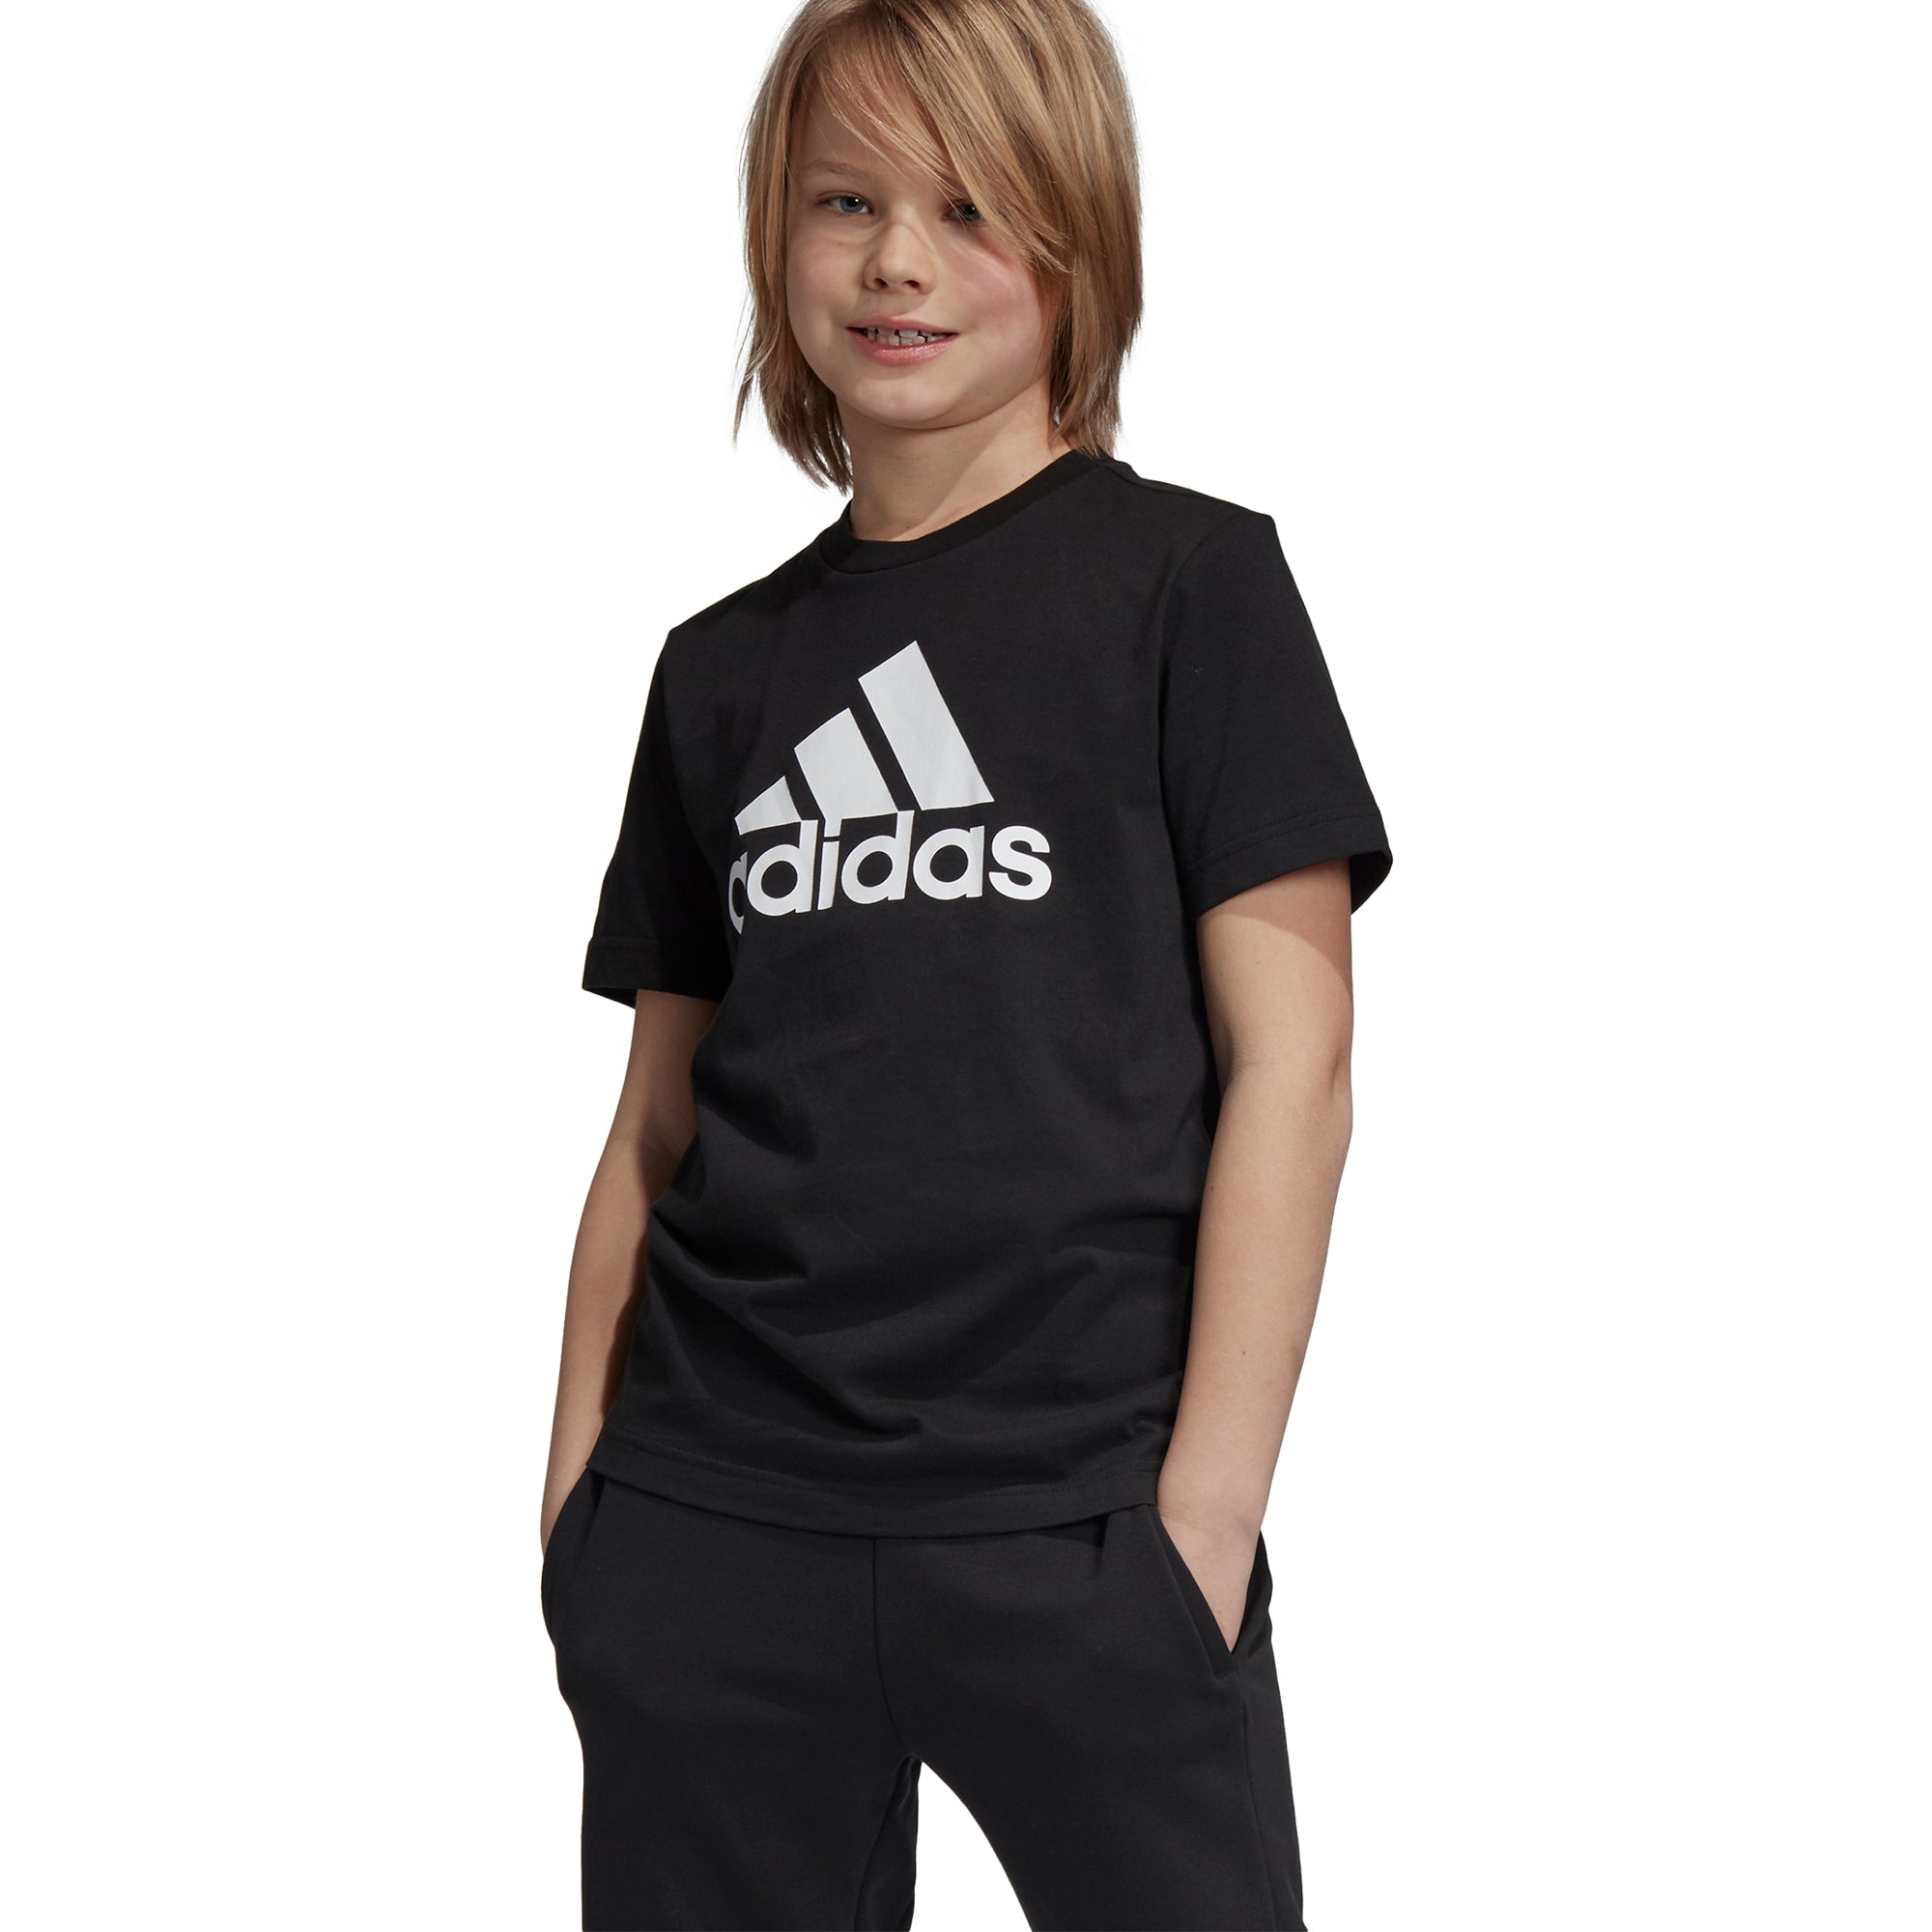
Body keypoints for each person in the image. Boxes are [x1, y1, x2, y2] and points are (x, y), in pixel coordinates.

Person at [538, 2, 1392, 1925]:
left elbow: (1299, 1065)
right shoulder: (718, 670)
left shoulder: (1191, 590)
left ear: (1078, 237)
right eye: (844, 202)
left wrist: (1201, 1524)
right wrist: (586, 1499)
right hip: (710, 1520)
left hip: (1077, 1526)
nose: (896, 261)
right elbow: (656, 1122)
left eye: (969, 205)